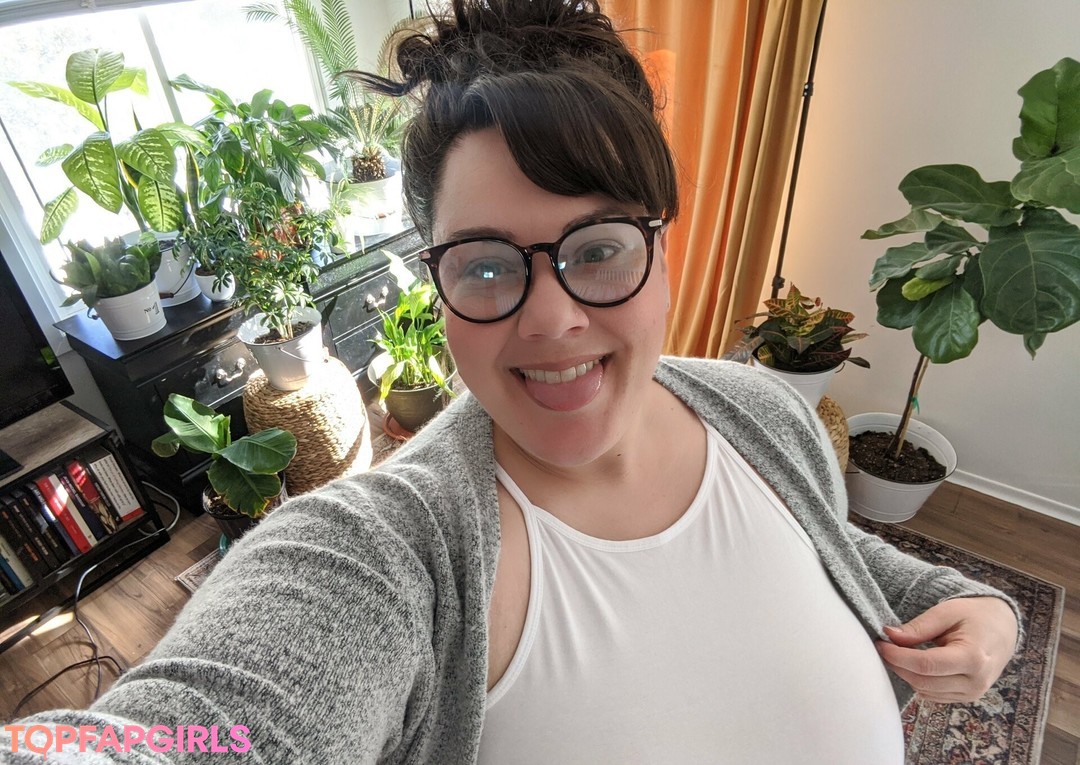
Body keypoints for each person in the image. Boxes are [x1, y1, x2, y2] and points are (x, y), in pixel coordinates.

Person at [2, 0, 1019, 762]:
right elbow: (199, 733)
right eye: (486, 264)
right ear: (435, 278)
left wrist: (972, 602)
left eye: (599, 248)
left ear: (665, 251)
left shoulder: (760, 412)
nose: (551, 318)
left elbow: (829, 551)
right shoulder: (383, 555)